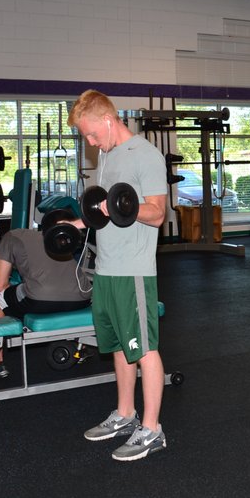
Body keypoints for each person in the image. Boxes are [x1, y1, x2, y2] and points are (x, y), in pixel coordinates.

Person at [68, 89, 170, 461]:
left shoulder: (146, 155)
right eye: (86, 137)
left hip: (134, 270)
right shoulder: (107, 155)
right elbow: (103, 210)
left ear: (109, 120)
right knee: (118, 347)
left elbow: (157, 213)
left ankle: (152, 429)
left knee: (144, 349)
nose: (91, 143)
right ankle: (126, 414)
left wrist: (123, 206)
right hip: (107, 268)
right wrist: (78, 224)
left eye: (92, 134)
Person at [0, 210, 92, 377]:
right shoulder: (64, 240)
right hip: (83, 297)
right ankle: (82, 348)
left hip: (40, 298)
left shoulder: (12, 236)